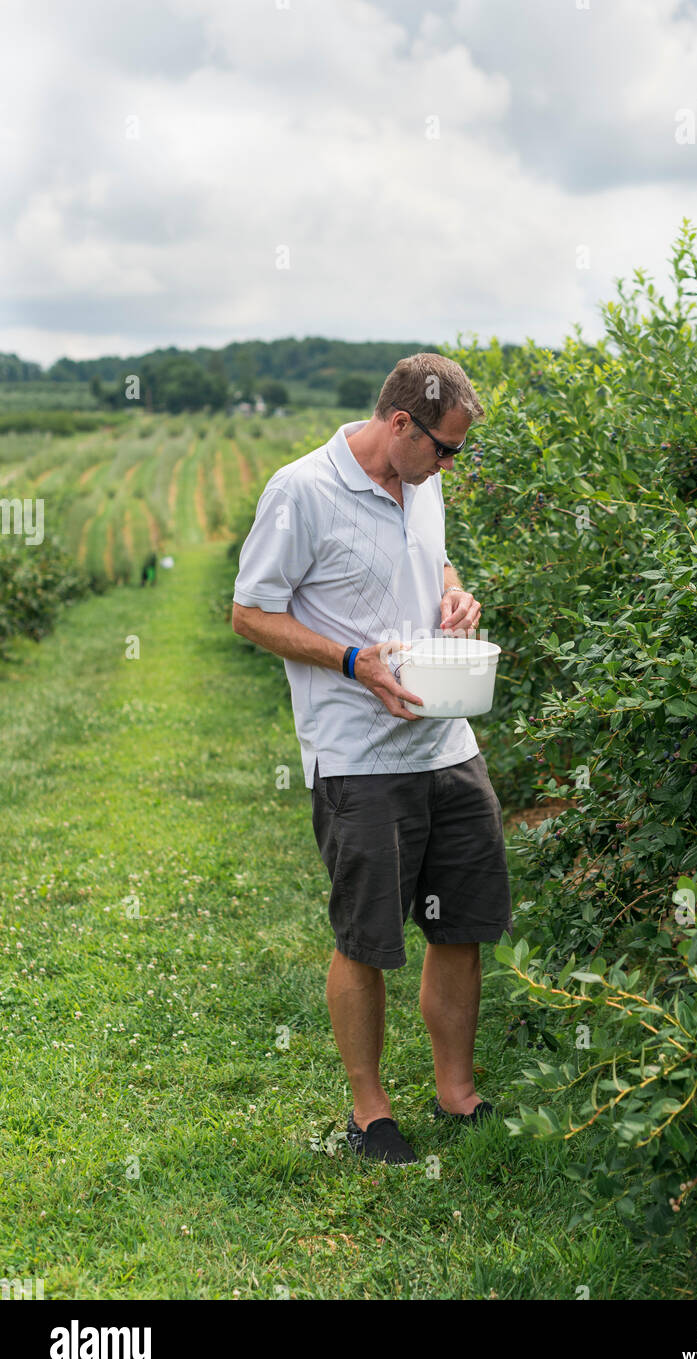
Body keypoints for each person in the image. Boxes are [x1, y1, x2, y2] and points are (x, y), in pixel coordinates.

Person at [231, 352, 513, 1165]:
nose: (449, 464)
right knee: (366, 936)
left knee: (458, 924)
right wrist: (354, 662)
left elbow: (434, 563)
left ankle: (456, 1092)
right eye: (444, 448)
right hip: (358, 752)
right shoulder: (301, 491)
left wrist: (455, 592)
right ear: (399, 424)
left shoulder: (426, 481)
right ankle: (369, 1113)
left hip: (445, 739)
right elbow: (250, 615)